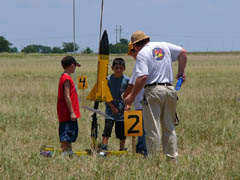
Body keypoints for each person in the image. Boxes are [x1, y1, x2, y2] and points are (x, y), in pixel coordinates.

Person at [124, 31, 187, 161]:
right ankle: (172, 159)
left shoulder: (142, 53)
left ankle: (153, 160)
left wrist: (131, 97)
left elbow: (142, 77)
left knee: (153, 129)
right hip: (170, 89)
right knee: (169, 127)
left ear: (135, 45)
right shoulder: (163, 45)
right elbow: (183, 53)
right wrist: (181, 71)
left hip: (153, 91)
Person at [123, 43, 147, 156]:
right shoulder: (149, 62)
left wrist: (125, 96)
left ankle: (142, 150)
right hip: (150, 102)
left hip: (141, 103)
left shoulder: (139, 64)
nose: (132, 57)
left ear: (135, 50)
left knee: (142, 130)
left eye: (132, 54)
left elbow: (131, 84)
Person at [100, 58, 129, 151]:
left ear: (124, 68)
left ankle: (121, 149)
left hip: (122, 109)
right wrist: (112, 106)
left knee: (121, 131)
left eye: (121, 68)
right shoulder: (108, 79)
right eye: (116, 68)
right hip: (110, 109)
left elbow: (129, 94)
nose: (118, 70)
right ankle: (104, 148)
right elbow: (104, 95)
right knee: (107, 129)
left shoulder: (127, 80)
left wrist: (127, 106)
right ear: (112, 68)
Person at [57, 56, 81, 155]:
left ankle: (69, 152)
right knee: (66, 133)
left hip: (67, 112)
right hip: (67, 112)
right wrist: (72, 112)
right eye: (75, 66)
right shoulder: (66, 78)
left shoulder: (65, 77)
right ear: (71, 65)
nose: (75, 68)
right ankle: (65, 152)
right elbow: (67, 96)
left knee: (70, 133)